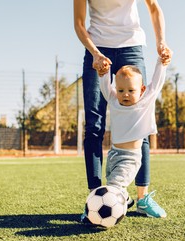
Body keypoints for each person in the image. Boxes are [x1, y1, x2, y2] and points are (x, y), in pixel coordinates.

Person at [73, 0, 172, 219]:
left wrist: (161, 42)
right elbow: (79, 24)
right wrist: (95, 53)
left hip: (131, 46)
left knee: (141, 122)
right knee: (94, 126)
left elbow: (154, 8)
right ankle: (95, 199)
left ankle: (143, 199)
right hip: (96, 48)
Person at [99, 56, 170, 218]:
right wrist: (103, 72)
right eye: (121, 90)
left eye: (131, 91)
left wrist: (161, 63)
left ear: (142, 90)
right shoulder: (113, 100)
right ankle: (126, 199)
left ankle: (103, 214)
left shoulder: (145, 102)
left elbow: (157, 82)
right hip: (113, 155)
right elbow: (104, 85)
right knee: (114, 182)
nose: (125, 95)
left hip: (130, 158)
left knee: (113, 186)